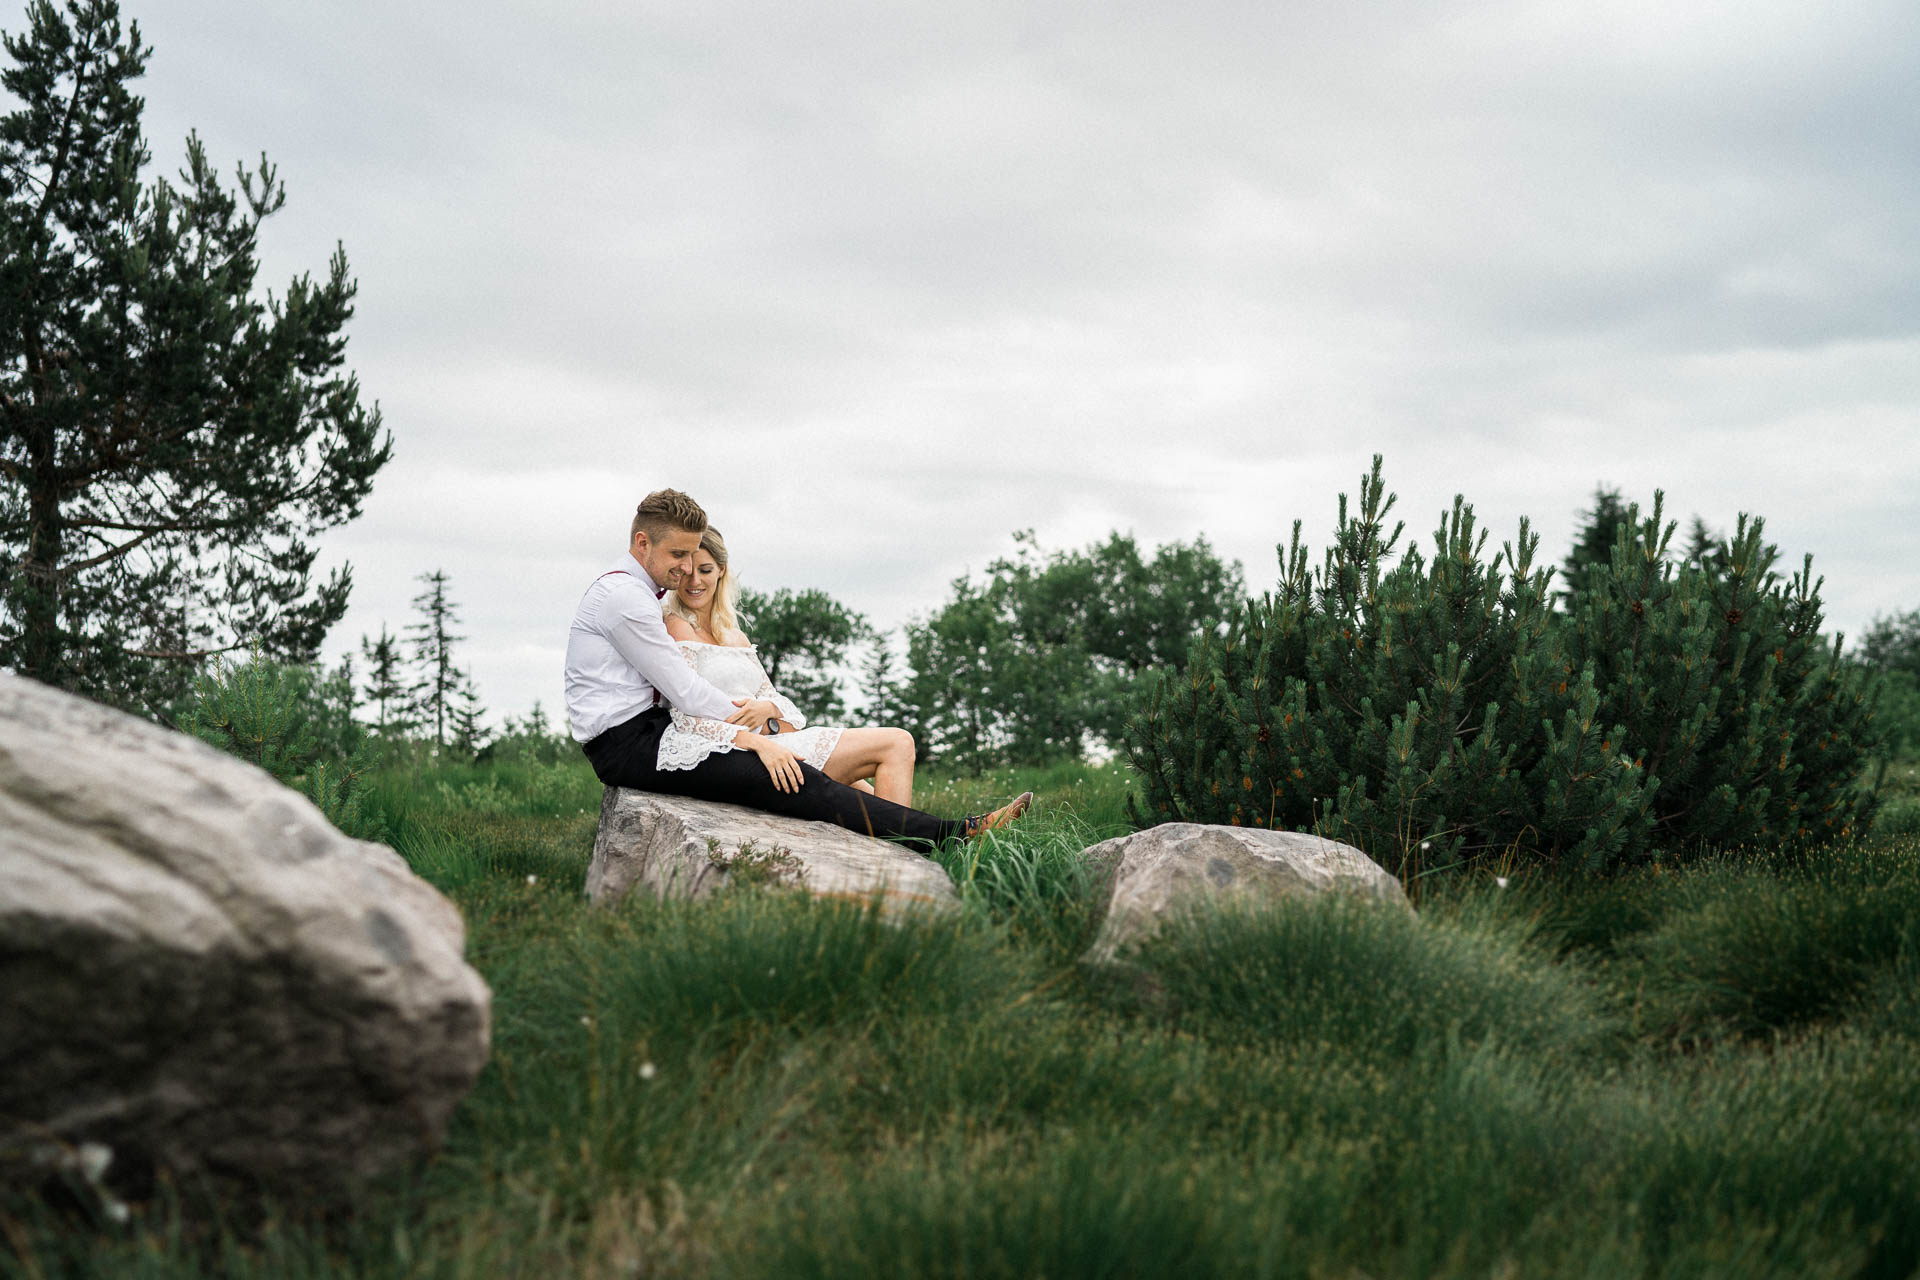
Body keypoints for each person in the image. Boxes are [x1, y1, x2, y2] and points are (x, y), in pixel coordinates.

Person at [564, 488, 1029, 850]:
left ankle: (925, 837)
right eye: (678, 556)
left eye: (695, 557)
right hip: (630, 745)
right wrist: (756, 741)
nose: (687, 570)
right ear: (642, 543)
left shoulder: (638, 593)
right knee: (792, 777)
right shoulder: (626, 599)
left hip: (650, 733)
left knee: (808, 774)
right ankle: (953, 834)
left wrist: (763, 729)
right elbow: (684, 691)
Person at [660, 526, 917, 805]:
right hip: (742, 752)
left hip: (778, 740)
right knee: (898, 743)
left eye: (706, 570)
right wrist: (760, 741)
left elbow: (784, 707)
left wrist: (767, 709)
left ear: (722, 570)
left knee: (864, 793)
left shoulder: (735, 636)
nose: (694, 581)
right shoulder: (677, 627)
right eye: (687, 572)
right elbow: (684, 715)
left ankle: (916, 837)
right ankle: (917, 836)